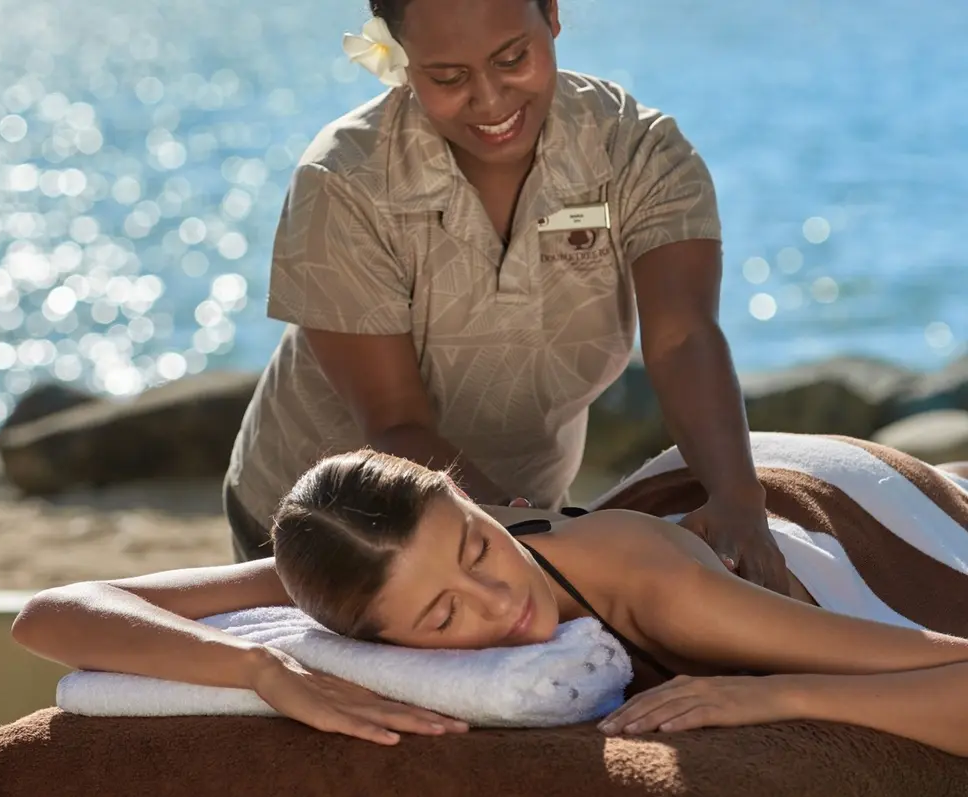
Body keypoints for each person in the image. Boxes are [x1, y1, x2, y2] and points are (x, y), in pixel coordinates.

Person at [223, 0, 790, 595]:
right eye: (448, 77)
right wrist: (542, 540)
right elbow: (395, 422)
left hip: (522, 510)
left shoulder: (639, 155)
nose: (491, 100)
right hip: (322, 524)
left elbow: (683, 338)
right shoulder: (344, 182)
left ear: (551, 14)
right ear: (400, 54)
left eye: (512, 58)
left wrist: (736, 497)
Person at [13, 449, 968, 758]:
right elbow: (53, 612)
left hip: (818, 519)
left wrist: (779, 694)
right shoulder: (358, 567)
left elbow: (949, 671)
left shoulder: (657, 591)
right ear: (359, 631)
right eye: (440, 620)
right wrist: (264, 671)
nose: (495, 598)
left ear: (480, 502)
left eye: (477, 543)